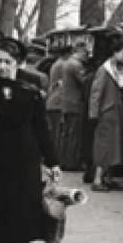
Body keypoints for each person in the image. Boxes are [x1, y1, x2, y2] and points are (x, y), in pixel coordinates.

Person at [0, 37, 61, 243]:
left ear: (19, 63)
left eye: (7, 61)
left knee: (21, 215)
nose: (1, 66)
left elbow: (41, 127)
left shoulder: (32, 88)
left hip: (24, 161)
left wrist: (52, 161)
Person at [88, 38, 123, 192]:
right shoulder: (104, 70)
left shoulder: (119, 69)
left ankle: (108, 178)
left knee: (115, 147)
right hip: (107, 113)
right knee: (105, 146)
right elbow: (96, 93)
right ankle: (97, 179)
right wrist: (94, 114)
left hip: (117, 113)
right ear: (115, 53)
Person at [46, 42, 90, 170]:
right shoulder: (75, 65)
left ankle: (64, 161)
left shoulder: (61, 64)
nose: (87, 57)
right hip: (74, 104)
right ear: (80, 51)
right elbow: (84, 82)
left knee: (65, 135)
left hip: (64, 103)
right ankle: (71, 162)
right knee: (73, 135)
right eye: (86, 53)